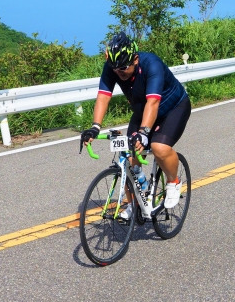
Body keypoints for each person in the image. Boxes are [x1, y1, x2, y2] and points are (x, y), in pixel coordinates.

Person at [81, 32, 191, 218]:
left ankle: (173, 181)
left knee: (159, 147)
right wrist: (95, 127)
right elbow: (103, 96)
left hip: (173, 107)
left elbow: (153, 102)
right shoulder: (113, 67)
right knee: (127, 159)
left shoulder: (151, 64)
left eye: (123, 68)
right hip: (142, 111)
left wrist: (144, 132)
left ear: (136, 59)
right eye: (115, 69)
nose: (119, 73)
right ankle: (135, 204)